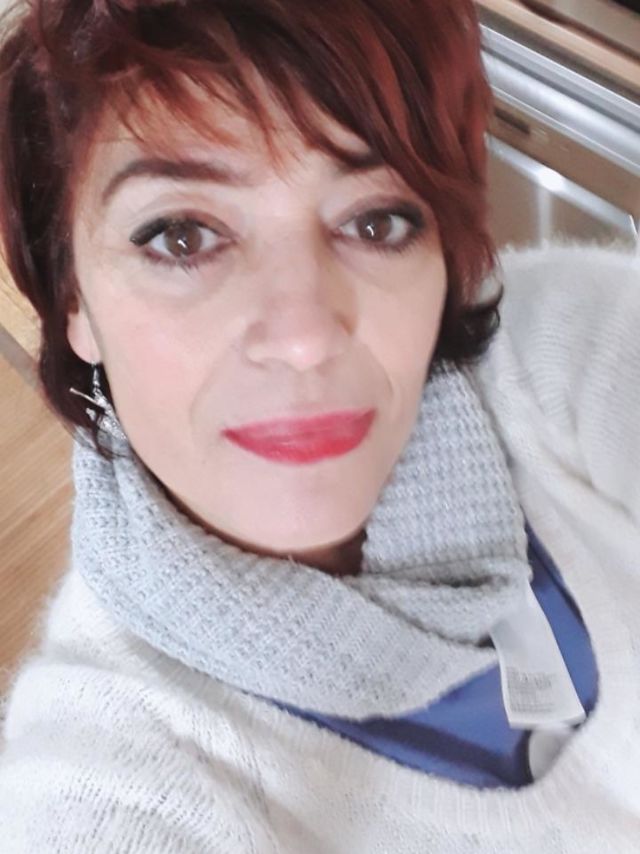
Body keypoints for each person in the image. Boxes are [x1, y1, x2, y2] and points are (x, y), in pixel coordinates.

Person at [0, 0, 639, 850]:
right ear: (73, 295)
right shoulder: (110, 766)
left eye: (377, 221)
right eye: (182, 236)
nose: (304, 337)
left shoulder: (561, 351)